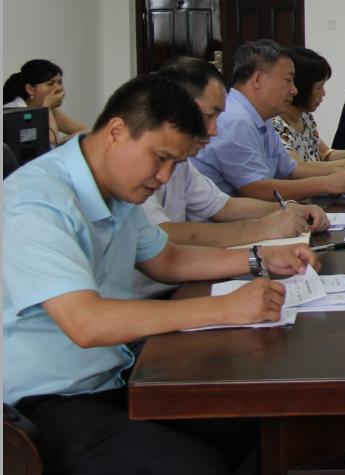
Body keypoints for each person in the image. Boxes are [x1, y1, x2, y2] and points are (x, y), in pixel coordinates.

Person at [3, 74, 320, 475]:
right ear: (116, 132)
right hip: (43, 402)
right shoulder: (38, 201)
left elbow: (166, 259)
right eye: (160, 158)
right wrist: (224, 308)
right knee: (199, 473)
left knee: (261, 420)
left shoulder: (114, 188)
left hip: (111, 375)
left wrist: (259, 257)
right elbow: (85, 323)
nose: (164, 176)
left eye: (175, 163)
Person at [133, 57, 331, 299]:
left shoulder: (181, 161)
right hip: (149, 297)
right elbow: (164, 235)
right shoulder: (135, 162)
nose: (214, 130)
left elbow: (224, 206)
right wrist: (262, 229)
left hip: (184, 281)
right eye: (209, 116)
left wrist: (290, 209)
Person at [191, 40, 345, 201]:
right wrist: (327, 183)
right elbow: (255, 190)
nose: (294, 90)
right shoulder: (236, 120)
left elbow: (291, 171)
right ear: (258, 79)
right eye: (288, 81)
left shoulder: (261, 118)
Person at [273, 47, 345, 163]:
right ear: (301, 87)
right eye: (319, 87)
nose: (323, 93)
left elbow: (325, 154)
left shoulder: (305, 117)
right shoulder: (276, 124)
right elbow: (297, 168)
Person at [3, 59, 89, 145]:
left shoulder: (49, 109)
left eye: (60, 83)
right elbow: (50, 143)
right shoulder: (10, 112)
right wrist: (48, 108)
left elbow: (86, 131)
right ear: (30, 89)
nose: (59, 88)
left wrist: (62, 140)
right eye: (50, 84)